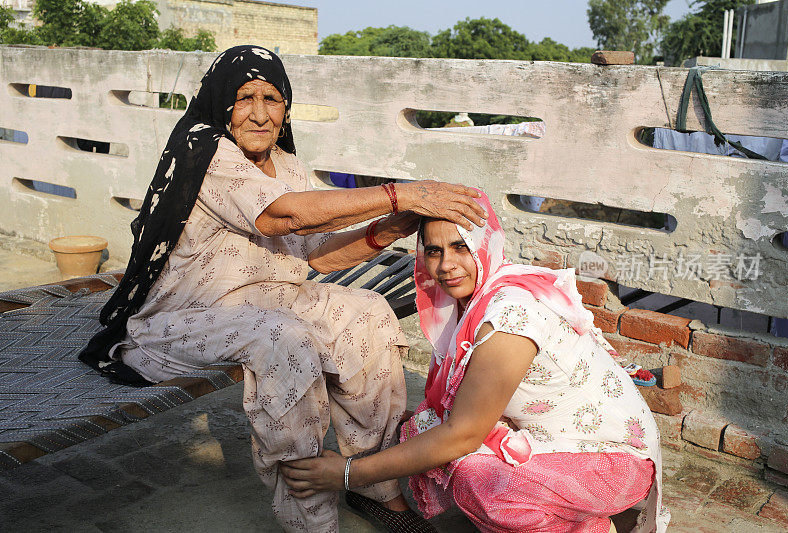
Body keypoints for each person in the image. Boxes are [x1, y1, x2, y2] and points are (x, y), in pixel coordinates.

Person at [78, 45, 486, 532]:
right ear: (222, 105)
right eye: (244, 97)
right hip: (187, 320)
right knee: (284, 341)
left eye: (271, 98)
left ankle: (375, 485)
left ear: (286, 108)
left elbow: (318, 254)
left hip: (273, 305)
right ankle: (310, 519)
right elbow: (281, 215)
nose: (258, 112)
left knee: (369, 312)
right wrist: (402, 191)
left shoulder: (288, 167)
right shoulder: (208, 154)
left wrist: (390, 226)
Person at [281, 190, 669, 532]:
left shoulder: (508, 316)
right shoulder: (482, 297)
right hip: (568, 441)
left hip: (614, 462)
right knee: (422, 429)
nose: (445, 265)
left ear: (486, 244)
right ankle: (568, 511)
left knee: (478, 481)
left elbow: (462, 433)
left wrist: (347, 474)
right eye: (433, 250)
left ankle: (586, 526)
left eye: (461, 246)